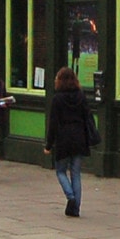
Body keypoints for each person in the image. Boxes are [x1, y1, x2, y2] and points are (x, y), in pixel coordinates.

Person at [43, 66, 96, 217]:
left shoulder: (57, 99)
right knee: (76, 174)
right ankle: (76, 209)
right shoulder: (81, 96)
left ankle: (70, 197)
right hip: (79, 137)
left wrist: (48, 145)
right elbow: (88, 117)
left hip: (64, 138)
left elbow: (53, 124)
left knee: (60, 171)